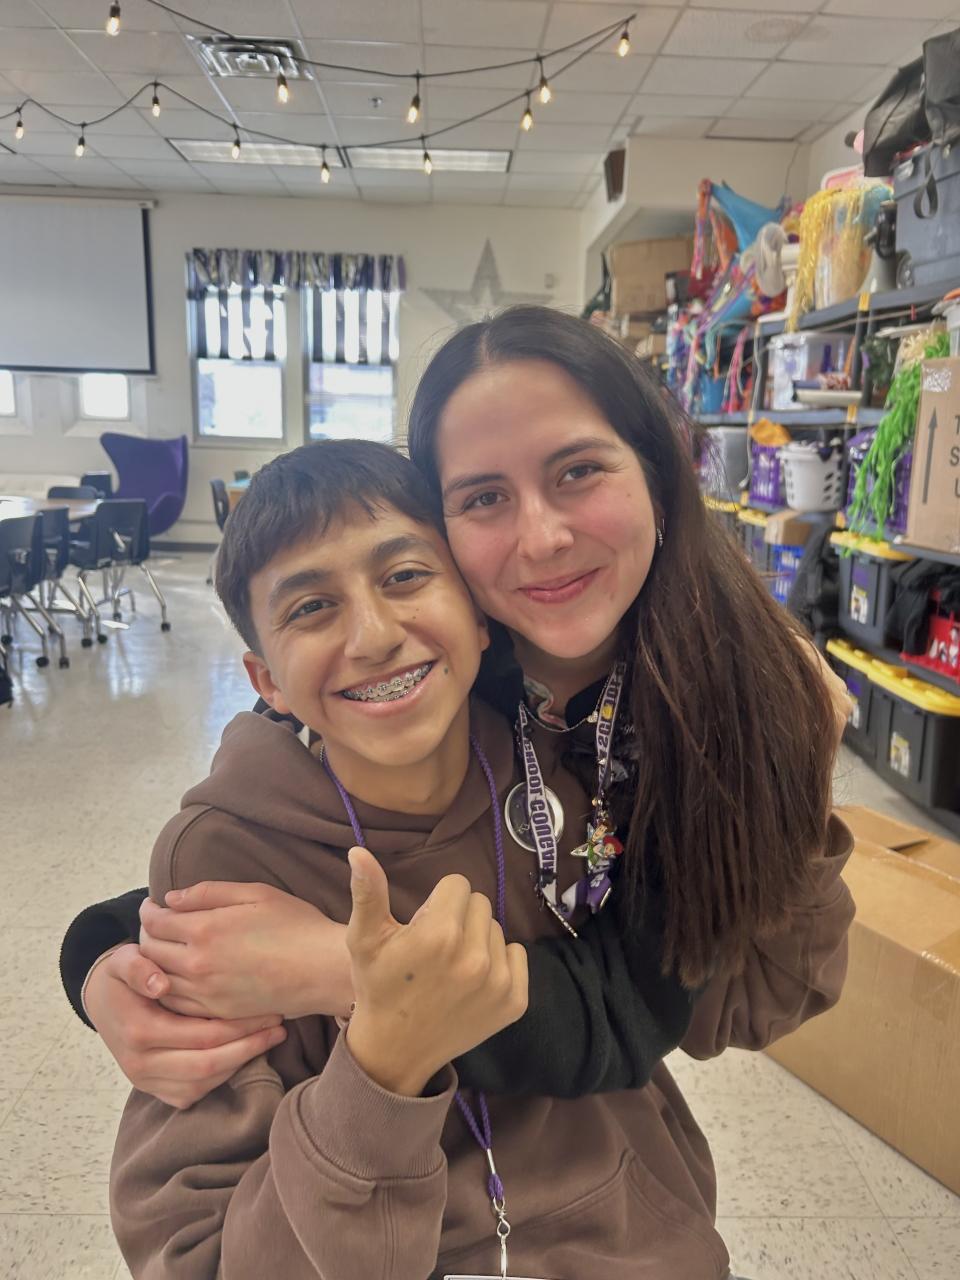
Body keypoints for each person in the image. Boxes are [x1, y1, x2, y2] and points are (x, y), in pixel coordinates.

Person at [65, 307, 853, 1274]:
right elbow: (250, 863)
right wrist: (111, 958)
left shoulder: (690, 718)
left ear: (657, 470)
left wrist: (356, 974)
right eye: (483, 496)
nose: (543, 537)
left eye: (578, 469)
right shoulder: (453, 685)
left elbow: (664, 1004)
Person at [112, 438, 735, 1278]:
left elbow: (731, 1001)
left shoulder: (580, 766)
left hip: (636, 1244)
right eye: (311, 607)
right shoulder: (226, 859)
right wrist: (380, 1070)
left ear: (478, 615)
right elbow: (203, 1253)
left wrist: (773, 774)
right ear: (267, 682)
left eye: (405, 576)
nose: (374, 636)